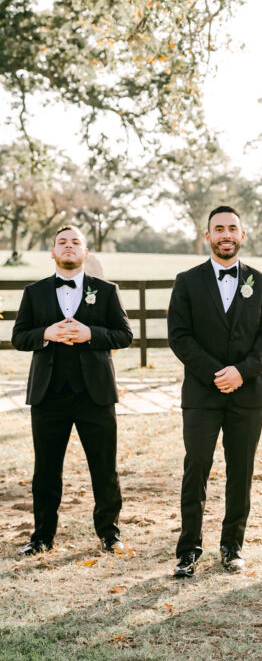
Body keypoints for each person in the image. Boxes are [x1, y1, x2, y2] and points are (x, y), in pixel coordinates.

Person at [167, 206, 262, 577]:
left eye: (233, 228)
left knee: (240, 472)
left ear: (242, 235)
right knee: (196, 467)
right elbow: (179, 335)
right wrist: (216, 373)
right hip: (202, 393)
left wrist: (242, 373)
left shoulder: (261, 282)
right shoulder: (187, 281)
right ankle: (189, 549)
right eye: (219, 229)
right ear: (207, 236)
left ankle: (232, 547)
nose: (226, 234)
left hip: (247, 395)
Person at [11, 225, 132, 556]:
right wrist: (46, 332)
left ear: (85, 252)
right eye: (61, 242)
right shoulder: (34, 292)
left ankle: (109, 533)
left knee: (104, 467)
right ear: (53, 252)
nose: (68, 246)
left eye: (75, 242)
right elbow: (19, 337)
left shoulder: (106, 290)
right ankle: (41, 536)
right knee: (46, 469)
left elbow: (124, 335)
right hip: (48, 394)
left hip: (95, 394)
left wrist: (89, 333)